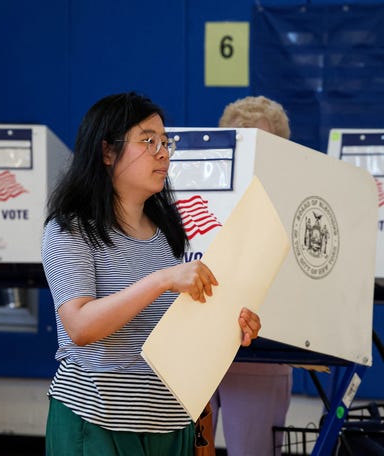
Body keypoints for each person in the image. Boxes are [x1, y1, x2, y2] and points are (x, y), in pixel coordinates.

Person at [41, 91, 262, 456]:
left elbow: (180, 332)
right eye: (147, 141)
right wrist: (162, 280)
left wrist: (231, 326)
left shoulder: (168, 233)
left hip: (170, 424)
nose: (163, 152)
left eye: (165, 141)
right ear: (107, 152)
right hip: (96, 422)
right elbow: (79, 326)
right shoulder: (70, 229)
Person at [210, 95, 293, 456]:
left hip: (263, 344)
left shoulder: (296, 200)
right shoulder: (200, 195)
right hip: (199, 343)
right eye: (242, 142)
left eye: (264, 144)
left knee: (253, 451)